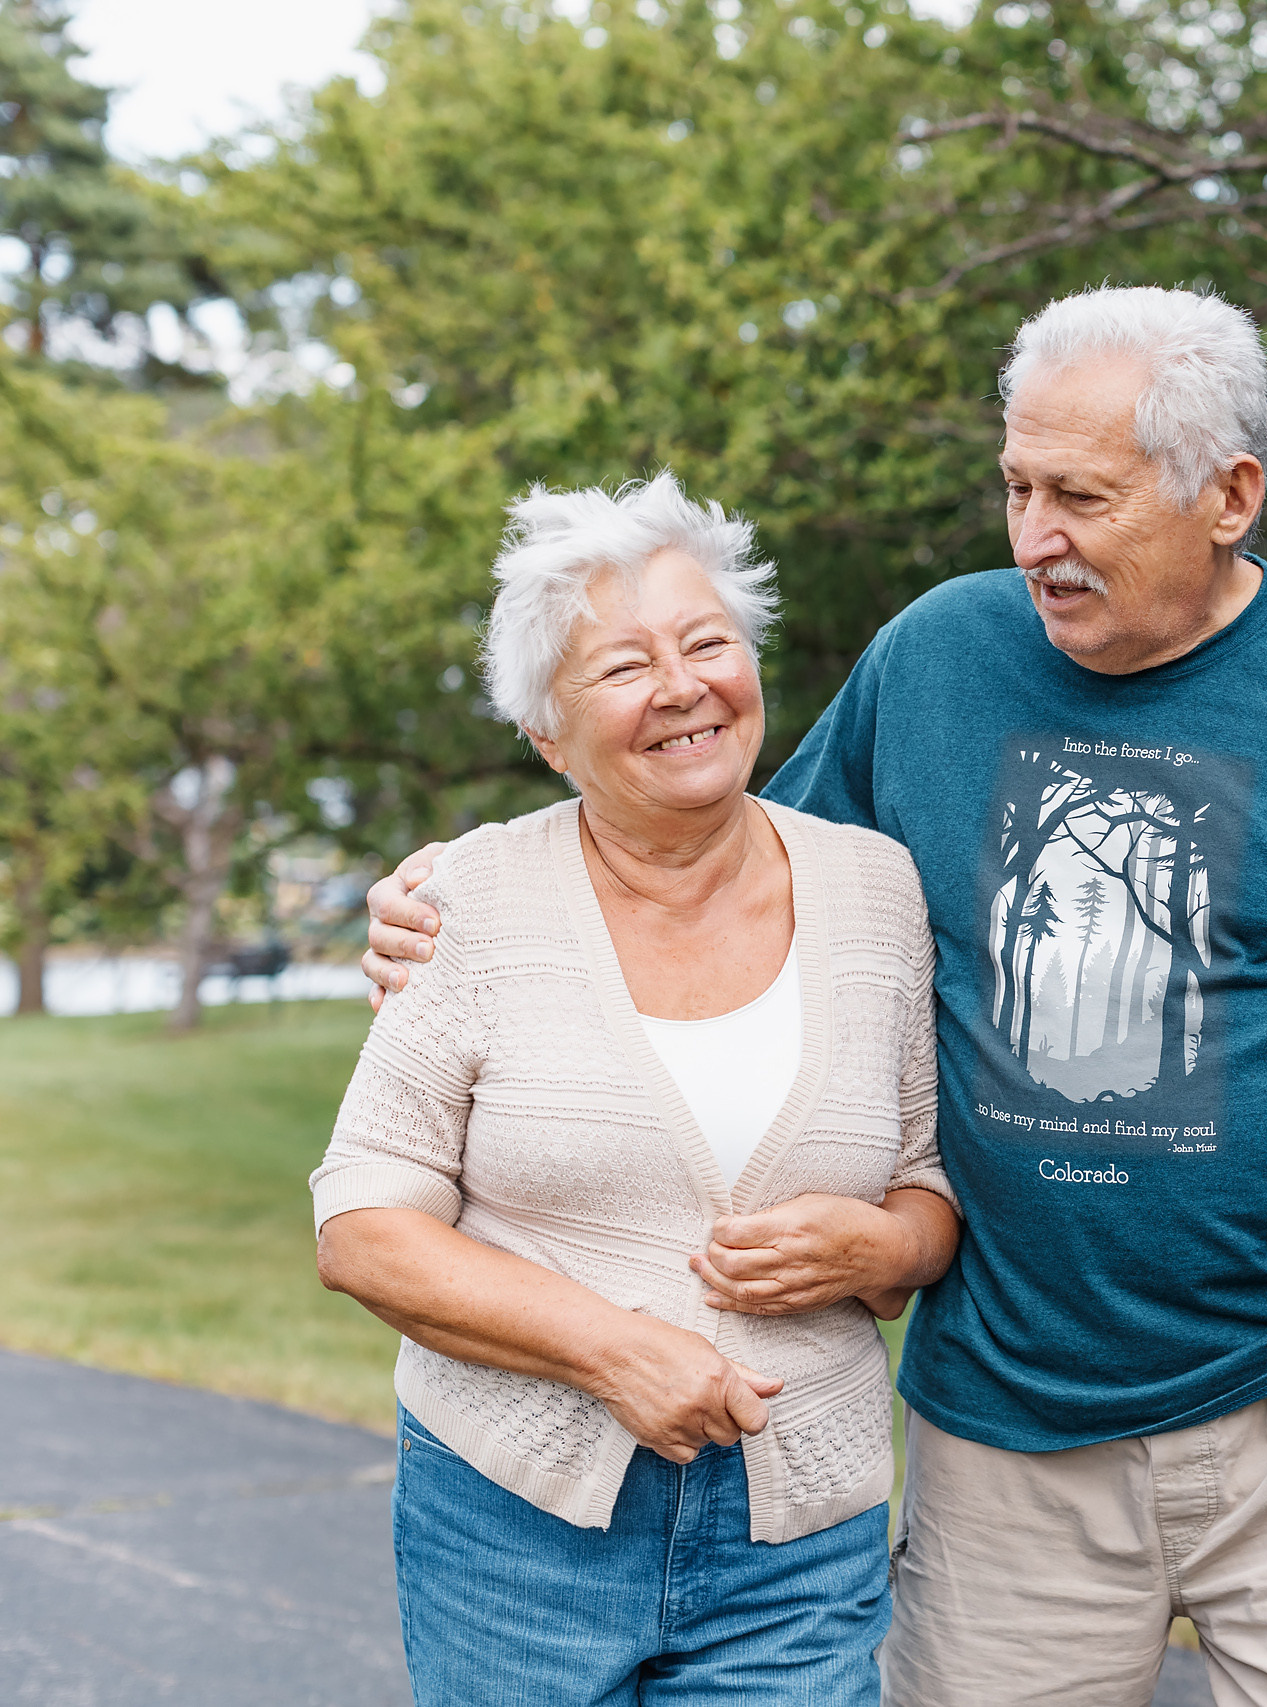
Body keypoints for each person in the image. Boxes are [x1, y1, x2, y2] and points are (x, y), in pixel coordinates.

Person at [364, 286, 1267, 1706]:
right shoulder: (934, 657)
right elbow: (717, 850)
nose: (1034, 535)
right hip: (1010, 1406)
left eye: (1081, 497)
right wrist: (465, 886)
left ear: (1230, 493)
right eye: (1016, 486)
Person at [315, 473, 957, 1706]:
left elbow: (928, 1189)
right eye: (621, 668)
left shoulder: (877, 892)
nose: (681, 686)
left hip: (797, 1533)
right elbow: (362, 1228)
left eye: (707, 642)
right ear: (548, 737)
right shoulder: (470, 903)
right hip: (513, 1523)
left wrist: (881, 1243)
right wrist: (609, 1351)